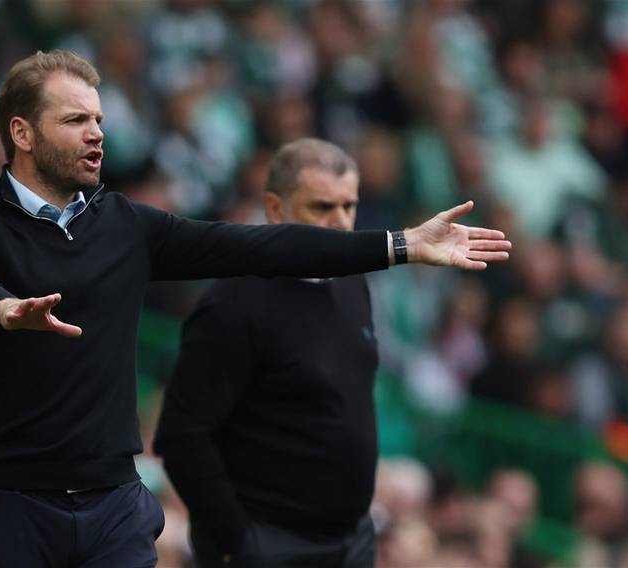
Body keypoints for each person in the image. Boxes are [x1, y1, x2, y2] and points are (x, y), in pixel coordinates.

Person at [0, 50, 510, 567]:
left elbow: (261, 245)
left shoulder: (125, 225)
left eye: (99, 120)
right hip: (7, 505)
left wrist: (401, 244)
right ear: (23, 133)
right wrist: (3, 307)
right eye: (76, 120)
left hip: (111, 508)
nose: (97, 134)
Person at [153, 138, 509, 568]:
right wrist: (237, 539)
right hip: (270, 544)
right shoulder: (234, 303)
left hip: (349, 539)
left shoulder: (352, 284)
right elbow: (182, 435)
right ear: (275, 208)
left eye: (349, 205)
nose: (340, 221)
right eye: (322, 207)